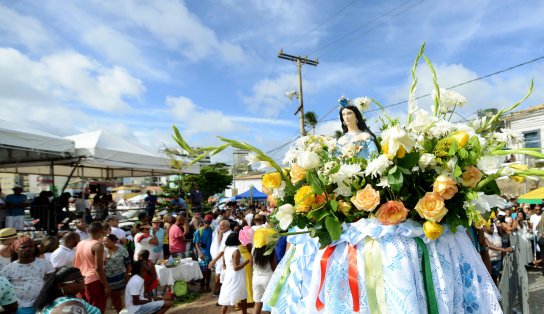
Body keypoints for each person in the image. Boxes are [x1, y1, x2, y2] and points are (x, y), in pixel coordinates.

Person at [0, 236, 54, 314]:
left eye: (30, 246)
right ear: (16, 250)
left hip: (41, 305)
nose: (28, 249)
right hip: (20, 307)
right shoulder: (8, 269)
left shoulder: (45, 263)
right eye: (23, 247)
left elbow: (52, 281)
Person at [73, 222, 109, 313]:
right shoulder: (98, 245)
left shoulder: (80, 243)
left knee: (85, 309)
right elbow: (98, 269)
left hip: (81, 280)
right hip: (94, 281)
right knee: (96, 309)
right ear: (101, 231)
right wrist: (106, 285)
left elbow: (76, 262)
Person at [33, 267, 100, 314]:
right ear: (61, 285)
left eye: (82, 278)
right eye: (76, 281)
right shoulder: (71, 304)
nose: (81, 281)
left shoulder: (52, 301)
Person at [218, 232, 250, 314]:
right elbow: (236, 268)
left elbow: (224, 263)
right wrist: (248, 261)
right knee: (243, 295)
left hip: (229, 275)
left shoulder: (226, 249)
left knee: (227, 296)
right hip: (237, 276)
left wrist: (226, 267)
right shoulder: (236, 251)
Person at [103, 233, 131, 313]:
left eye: (107, 241)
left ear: (114, 241)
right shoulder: (102, 250)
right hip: (108, 278)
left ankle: (120, 309)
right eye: (104, 241)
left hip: (120, 277)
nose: (105, 243)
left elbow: (127, 263)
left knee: (119, 295)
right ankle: (117, 308)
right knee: (113, 295)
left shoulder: (122, 249)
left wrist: (128, 274)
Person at [208, 220, 232, 296]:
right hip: (220, 259)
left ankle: (219, 292)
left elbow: (222, 251)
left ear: (227, 226)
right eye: (219, 225)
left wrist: (213, 261)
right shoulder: (222, 233)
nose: (220, 227)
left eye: (222, 225)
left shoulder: (228, 235)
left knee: (221, 276)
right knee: (220, 275)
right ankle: (218, 291)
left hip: (223, 259)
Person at [252, 241, 277, 314]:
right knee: (270, 304)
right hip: (268, 277)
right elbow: (273, 266)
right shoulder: (270, 249)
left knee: (257, 303)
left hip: (256, 278)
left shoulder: (254, 248)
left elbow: (251, 264)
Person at [193, 214, 213, 293]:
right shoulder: (199, 231)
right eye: (205, 222)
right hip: (202, 254)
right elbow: (196, 244)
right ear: (203, 222)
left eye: (208, 223)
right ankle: (202, 286)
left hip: (210, 254)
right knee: (202, 271)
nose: (206, 224)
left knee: (208, 271)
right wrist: (200, 253)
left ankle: (207, 286)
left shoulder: (212, 230)